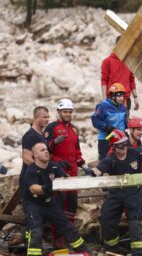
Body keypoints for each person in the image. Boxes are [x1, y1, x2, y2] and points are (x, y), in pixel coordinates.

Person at [91, 129, 142, 256]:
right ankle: (112, 248)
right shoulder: (109, 160)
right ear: (113, 147)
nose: (124, 147)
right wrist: (90, 172)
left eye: (125, 143)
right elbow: (97, 171)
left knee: (135, 222)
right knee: (107, 219)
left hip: (134, 193)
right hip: (116, 194)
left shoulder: (136, 153)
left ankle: (138, 253)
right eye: (120, 145)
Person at [22, 142, 91, 256]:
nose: (46, 151)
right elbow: (34, 189)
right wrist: (51, 186)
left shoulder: (54, 166)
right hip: (34, 204)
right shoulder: (31, 170)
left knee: (68, 227)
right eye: (42, 150)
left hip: (49, 203)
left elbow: (64, 180)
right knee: (35, 232)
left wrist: (70, 180)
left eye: (46, 149)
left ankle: (84, 251)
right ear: (35, 156)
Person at [44, 99, 86, 249]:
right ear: (59, 112)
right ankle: (57, 239)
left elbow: (77, 152)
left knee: (71, 207)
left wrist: (83, 164)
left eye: (70, 112)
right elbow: (43, 151)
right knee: (59, 207)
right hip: (58, 175)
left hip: (73, 174)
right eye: (65, 112)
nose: (68, 114)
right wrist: (54, 146)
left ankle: (70, 237)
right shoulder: (52, 128)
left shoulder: (74, 130)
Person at [101, 36, 139, 111]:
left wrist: (135, 97)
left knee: (124, 122)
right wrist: (104, 100)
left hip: (126, 100)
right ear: (117, 46)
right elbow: (104, 81)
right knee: (113, 122)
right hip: (111, 100)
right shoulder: (107, 61)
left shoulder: (129, 62)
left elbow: (132, 80)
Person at [92, 83, 128, 159]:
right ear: (112, 96)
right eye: (119, 96)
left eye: (122, 96)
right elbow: (95, 120)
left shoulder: (123, 107)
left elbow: (124, 122)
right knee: (106, 161)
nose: (121, 98)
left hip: (120, 139)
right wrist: (107, 127)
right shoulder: (103, 106)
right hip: (106, 139)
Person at [20, 106, 50, 184]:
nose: (47, 119)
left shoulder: (41, 134)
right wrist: (43, 171)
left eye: (48, 117)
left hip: (38, 178)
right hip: (31, 179)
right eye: (44, 117)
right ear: (36, 118)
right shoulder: (30, 135)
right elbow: (26, 158)